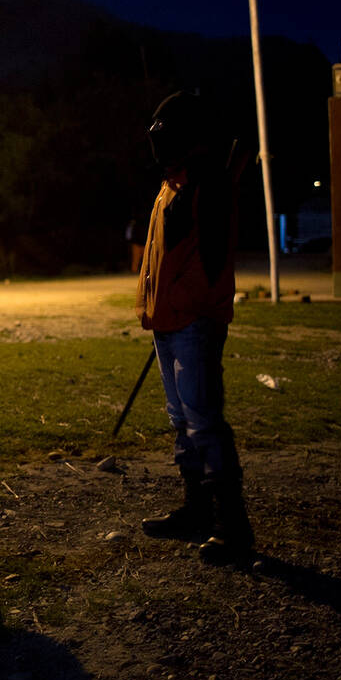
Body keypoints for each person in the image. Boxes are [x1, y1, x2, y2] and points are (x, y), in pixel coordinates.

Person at [135, 91, 254, 565]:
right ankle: (196, 510)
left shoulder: (207, 185)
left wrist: (181, 307)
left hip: (193, 323)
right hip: (169, 322)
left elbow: (211, 266)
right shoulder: (173, 185)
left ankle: (233, 526)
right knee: (181, 421)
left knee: (204, 422)